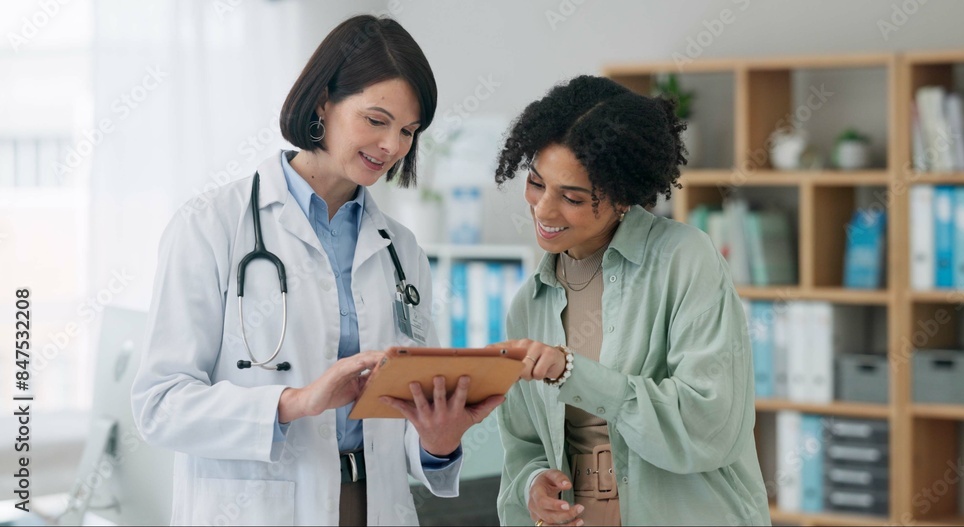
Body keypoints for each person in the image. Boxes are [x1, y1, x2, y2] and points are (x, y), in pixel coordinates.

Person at [131, 15, 503, 526]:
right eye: (376, 120)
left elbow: (410, 414)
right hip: (260, 508)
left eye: (408, 131)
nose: (393, 146)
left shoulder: (402, 248)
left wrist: (438, 439)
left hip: (375, 505)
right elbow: (160, 404)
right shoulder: (211, 226)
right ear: (323, 103)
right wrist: (296, 402)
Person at [490, 75, 771, 526]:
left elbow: (709, 423)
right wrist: (532, 485)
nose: (543, 209)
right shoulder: (531, 302)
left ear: (621, 198)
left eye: (572, 197)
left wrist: (572, 371)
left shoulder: (684, 259)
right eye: (537, 183)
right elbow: (523, 445)